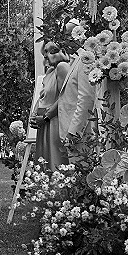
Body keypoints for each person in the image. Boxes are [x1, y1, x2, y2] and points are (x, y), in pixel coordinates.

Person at [30, 41, 70, 171]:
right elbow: (43, 96)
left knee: (55, 164)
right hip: (43, 125)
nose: (46, 56)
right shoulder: (50, 72)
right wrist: (34, 113)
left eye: (51, 51)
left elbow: (64, 97)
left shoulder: (62, 67)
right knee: (44, 165)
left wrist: (46, 117)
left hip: (54, 122)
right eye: (45, 52)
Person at [58, 22, 97, 153]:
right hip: (70, 134)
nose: (65, 41)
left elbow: (86, 98)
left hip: (81, 136)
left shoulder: (85, 60)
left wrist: (74, 132)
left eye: (68, 36)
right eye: (64, 36)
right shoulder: (74, 60)